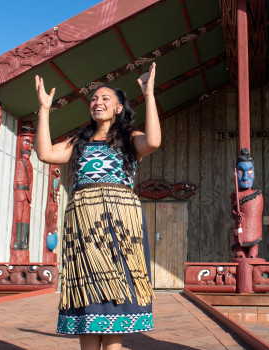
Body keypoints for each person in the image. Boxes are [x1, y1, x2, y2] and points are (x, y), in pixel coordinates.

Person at [34, 62, 161, 350]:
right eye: (94, 98)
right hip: (84, 226)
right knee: (88, 292)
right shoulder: (79, 141)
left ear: (118, 108)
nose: (97, 102)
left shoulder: (129, 140)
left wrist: (150, 95)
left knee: (116, 292)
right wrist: (44, 110)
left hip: (120, 225)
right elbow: (45, 153)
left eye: (105, 98)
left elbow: (153, 141)